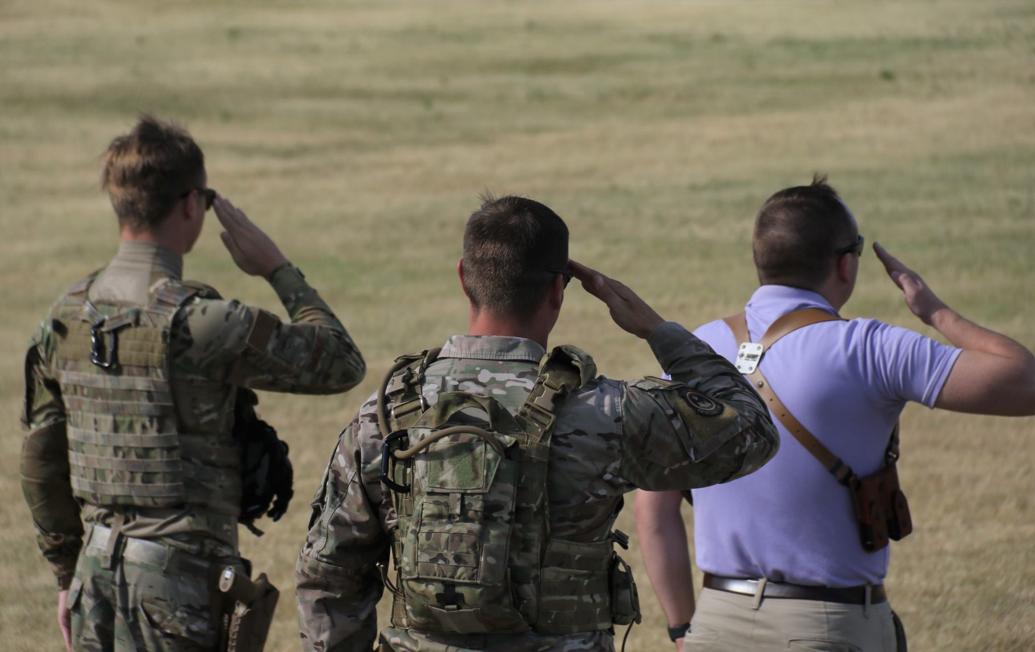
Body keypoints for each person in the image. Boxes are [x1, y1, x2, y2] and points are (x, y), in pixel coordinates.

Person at [295, 195, 780, 652]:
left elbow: (328, 574)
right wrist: (657, 330)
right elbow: (752, 430)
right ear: (557, 289)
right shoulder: (604, 413)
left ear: (464, 277)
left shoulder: (385, 415)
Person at [635, 176, 1035, 651]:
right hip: (828, 627)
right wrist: (935, 311)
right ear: (845, 264)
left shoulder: (695, 349)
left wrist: (683, 629)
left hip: (717, 625)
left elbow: (653, 508)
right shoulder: (867, 348)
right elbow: (1024, 383)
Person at [20, 115, 367, 651]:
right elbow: (341, 362)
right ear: (190, 205)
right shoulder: (202, 323)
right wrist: (276, 267)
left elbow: (41, 462)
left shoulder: (65, 320)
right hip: (178, 585)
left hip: (97, 576)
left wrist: (67, 576)